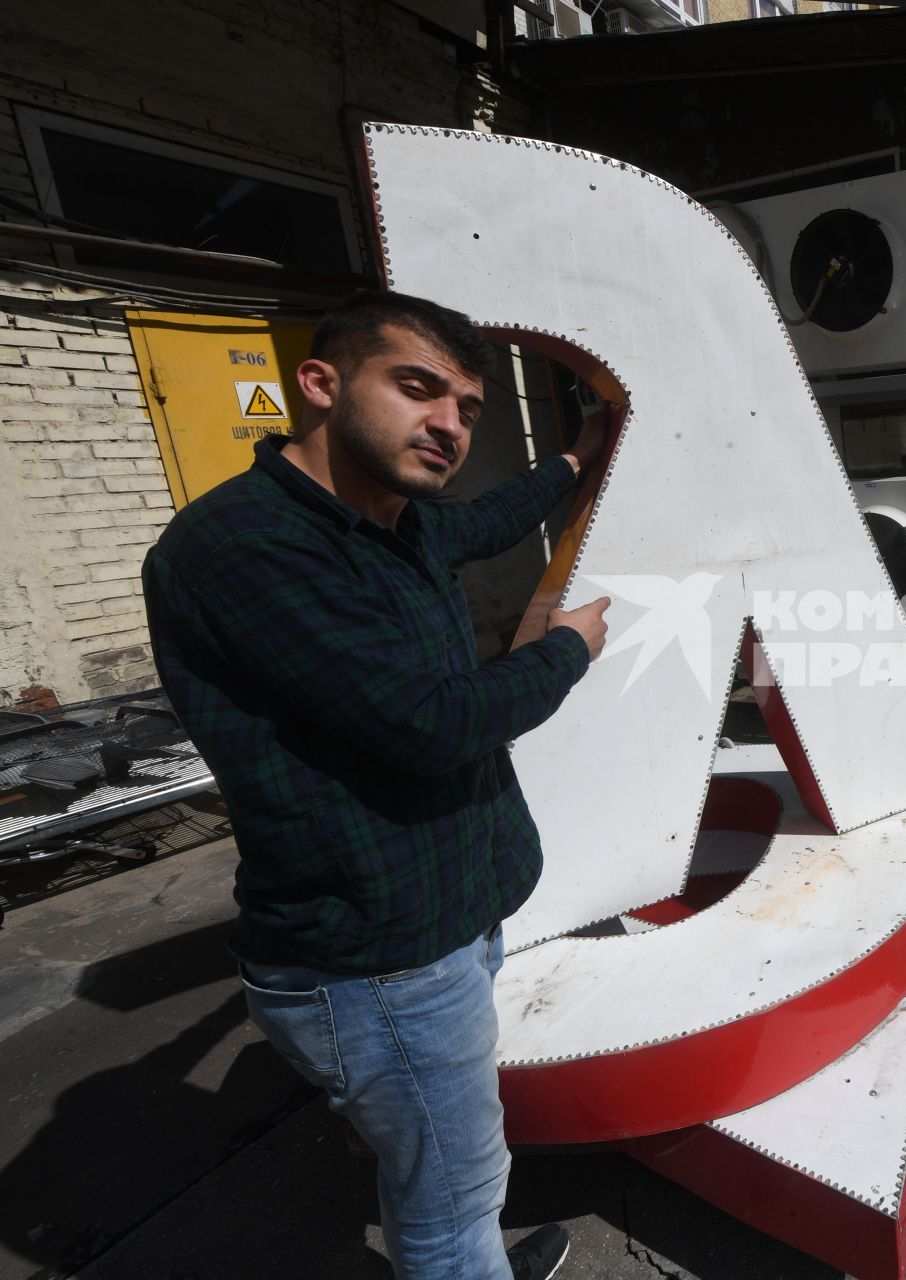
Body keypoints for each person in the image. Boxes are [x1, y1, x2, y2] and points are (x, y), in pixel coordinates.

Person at [143, 291, 613, 1280]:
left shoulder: (395, 524)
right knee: (452, 1201)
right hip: (382, 963)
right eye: (417, 387)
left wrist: (578, 456)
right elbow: (432, 723)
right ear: (319, 383)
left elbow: (488, 518)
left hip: (436, 928)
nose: (447, 421)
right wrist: (566, 648)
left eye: (467, 406)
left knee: (441, 1173)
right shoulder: (246, 548)